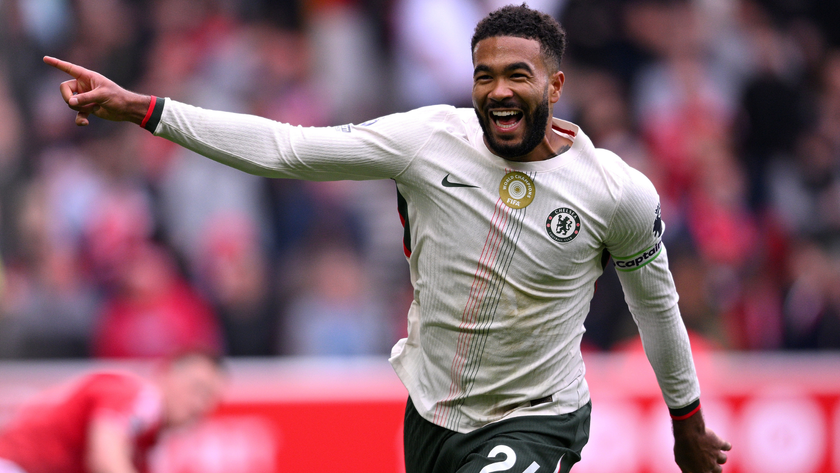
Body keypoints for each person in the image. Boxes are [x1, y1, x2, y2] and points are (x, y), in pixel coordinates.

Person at [43, 5, 731, 472]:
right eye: (484, 74)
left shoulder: (616, 192)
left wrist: (687, 419)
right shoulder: (429, 140)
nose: (497, 90)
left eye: (517, 75)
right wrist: (145, 109)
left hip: (537, 414)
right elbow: (287, 148)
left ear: (554, 82)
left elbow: (657, 308)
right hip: (431, 414)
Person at [0, 352, 226, 473]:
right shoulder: (141, 397)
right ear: (166, 374)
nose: (199, 404)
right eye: (197, 388)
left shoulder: (145, 440)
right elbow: (106, 458)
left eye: (208, 398)